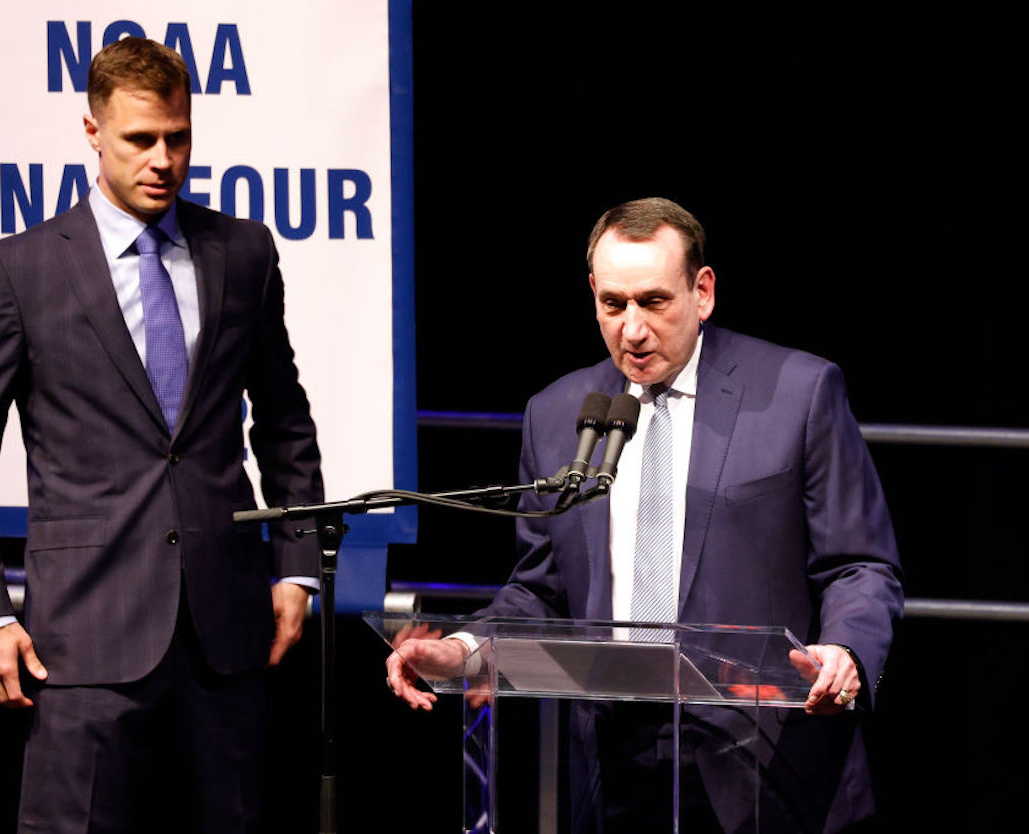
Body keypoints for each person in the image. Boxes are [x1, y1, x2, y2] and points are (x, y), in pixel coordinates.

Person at [386, 198, 902, 833]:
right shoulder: (559, 414)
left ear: (702, 291)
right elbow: (541, 588)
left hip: (770, 760)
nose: (632, 329)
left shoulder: (799, 393)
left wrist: (845, 649)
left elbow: (860, 564)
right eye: (614, 304)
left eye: (653, 302)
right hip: (614, 765)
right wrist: (462, 651)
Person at [0, 37, 324, 833]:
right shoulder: (20, 270)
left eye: (178, 137)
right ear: (92, 131)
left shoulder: (243, 253)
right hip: (82, 640)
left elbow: (284, 420)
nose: (163, 159)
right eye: (141, 139)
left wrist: (297, 568)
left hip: (226, 630)